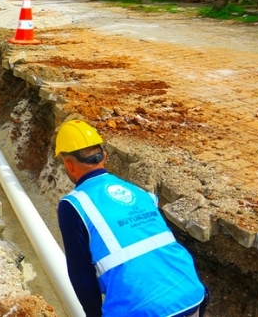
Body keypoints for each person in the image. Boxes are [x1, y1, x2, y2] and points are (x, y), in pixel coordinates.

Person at [55, 120, 208, 317]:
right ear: (104, 156)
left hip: (142, 309)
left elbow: (81, 275)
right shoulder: (139, 192)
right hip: (192, 295)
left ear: (68, 164)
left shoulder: (73, 205)